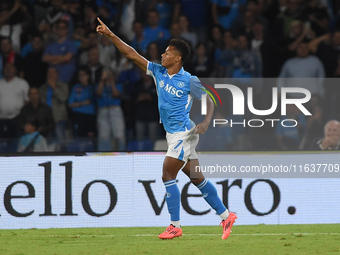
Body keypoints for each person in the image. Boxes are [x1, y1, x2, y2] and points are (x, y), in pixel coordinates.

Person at [96, 17, 237, 240]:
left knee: (167, 174)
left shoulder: (189, 80)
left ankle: (175, 225)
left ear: (177, 58)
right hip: (174, 133)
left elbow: (209, 99)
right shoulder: (159, 72)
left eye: (168, 52)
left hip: (183, 133)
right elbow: (131, 54)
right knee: (197, 178)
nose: (163, 55)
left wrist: (207, 120)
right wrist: (111, 35)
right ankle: (226, 215)